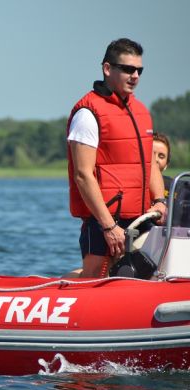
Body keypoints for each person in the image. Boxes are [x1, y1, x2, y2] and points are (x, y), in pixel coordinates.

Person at [66, 38, 167, 278]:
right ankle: (59, 293)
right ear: (107, 68)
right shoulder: (88, 113)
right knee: (93, 277)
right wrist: (108, 225)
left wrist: (159, 200)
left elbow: (149, 164)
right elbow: (83, 175)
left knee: (148, 276)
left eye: (139, 70)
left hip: (141, 218)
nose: (135, 76)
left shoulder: (141, 111)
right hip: (104, 220)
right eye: (128, 69)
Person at [152, 132, 172, 196]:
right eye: (151, 155)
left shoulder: (174, 188)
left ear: (166, 164)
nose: (155, 159)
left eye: (161, 156)